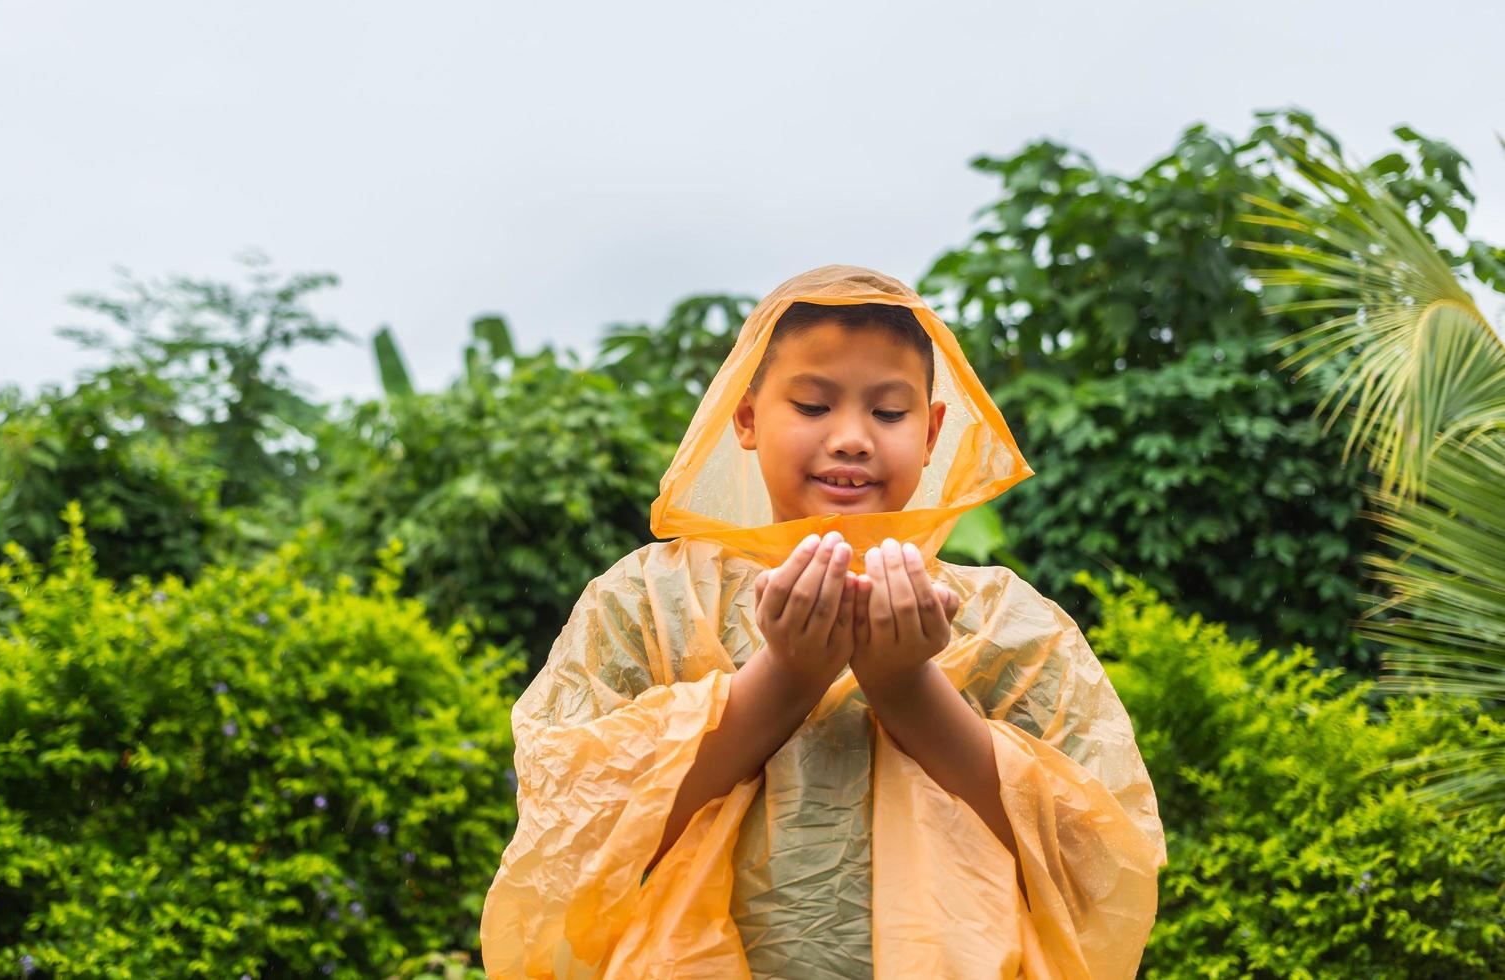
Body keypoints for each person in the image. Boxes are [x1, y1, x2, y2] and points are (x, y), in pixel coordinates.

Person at [478, 264, 1167, 978]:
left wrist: (907, 689)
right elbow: (575, 846)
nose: (851, 439)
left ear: (932, 431)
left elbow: (1093, 866)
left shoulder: (1006, 624)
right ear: (745, 418)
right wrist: (784, 679)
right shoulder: (652, 602)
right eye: (811, 405)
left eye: (889, 413)